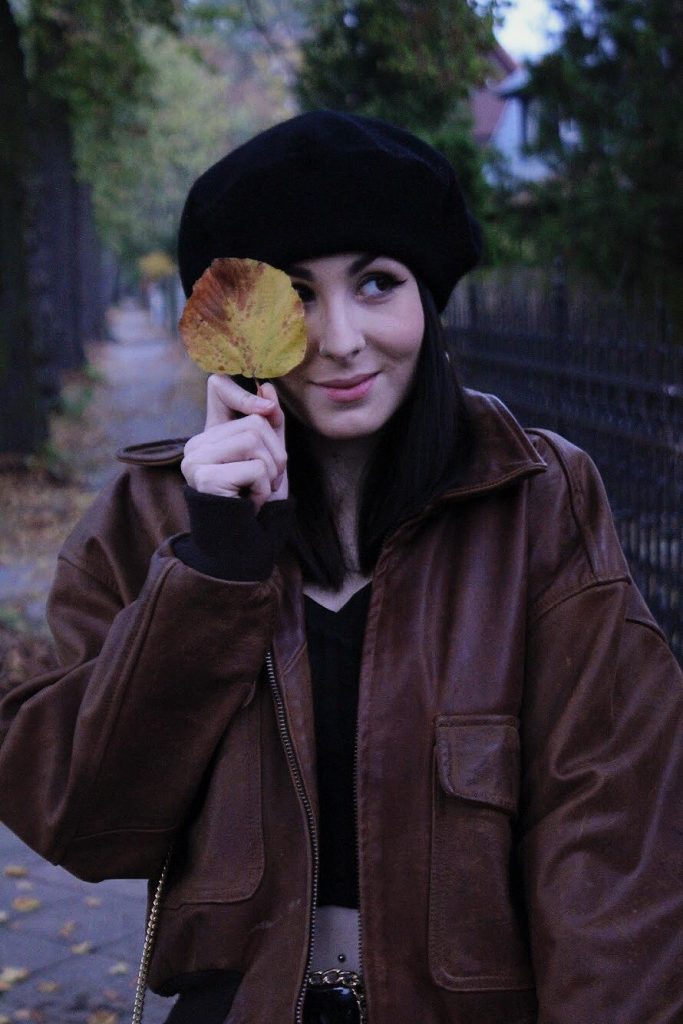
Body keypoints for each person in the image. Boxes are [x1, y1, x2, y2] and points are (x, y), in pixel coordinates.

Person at [0, 111, 682, 1024]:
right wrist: (215, 569)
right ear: (241, 320)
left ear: (426, 298)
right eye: (296, 295)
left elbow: (611, 835)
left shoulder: (540, 499)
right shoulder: (150, 516)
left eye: (375, 283)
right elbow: (85, 823)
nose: (342, 337)